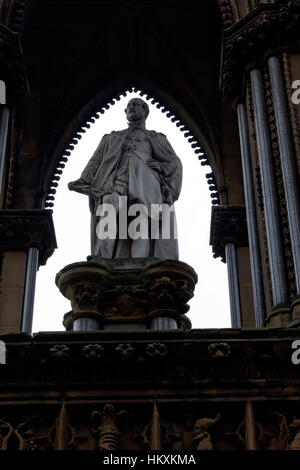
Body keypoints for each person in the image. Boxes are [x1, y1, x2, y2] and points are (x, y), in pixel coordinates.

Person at [68, 97, 182, 259]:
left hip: (145, 183)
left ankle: (140, 264)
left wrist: (161, 167)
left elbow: (174, 162)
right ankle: (103, 259)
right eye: (128, 106)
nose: (131, 107)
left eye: (135, 104)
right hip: (117, 181)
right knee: (108, 208)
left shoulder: (155, 138)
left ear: (145, 111)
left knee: (141, 221)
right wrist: (84, 180)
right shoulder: (112, 137)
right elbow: (96, 160)